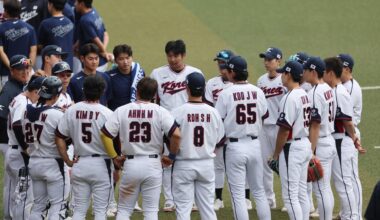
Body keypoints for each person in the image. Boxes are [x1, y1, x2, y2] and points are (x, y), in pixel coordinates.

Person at [100, 77, 181, 220]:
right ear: (155, 94)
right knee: (150, 211)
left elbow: (105, 135)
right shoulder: (160, 111)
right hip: (153, 164)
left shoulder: (122, 110)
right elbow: (176, 135)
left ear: (136, 92)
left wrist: (114, 157)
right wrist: (172, 157)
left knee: (124, 211)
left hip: (131, 164)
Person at [215, 56, 271, 220]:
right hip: (255, 145)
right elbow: (264, 115)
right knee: (259, 191)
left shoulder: (225, 94)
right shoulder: (258, 91)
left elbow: (218, 121)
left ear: (232, 72)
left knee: (238, 195)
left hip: (235, 147)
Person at [150, 39, 202, 212]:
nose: (173, 59)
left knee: (189, 161)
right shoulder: (157, 73)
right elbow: (154, 100)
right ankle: (170, 200)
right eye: (170, 56)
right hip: (165, 124)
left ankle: (191, 200)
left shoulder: (195, 73)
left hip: (190, 124)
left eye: (176, 56)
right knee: (167, 162)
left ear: (183, 55)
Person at [55, 75, 114, 219]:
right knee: (100, 211)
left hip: (79, 163)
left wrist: (67, 160)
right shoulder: (108, 113)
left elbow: (59, 137)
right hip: (102, 164)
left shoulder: (72, 110)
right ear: (102, 91)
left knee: (79, 211)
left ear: (83, 90)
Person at [170, 72, 225, 220]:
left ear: (186, 88)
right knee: (207, 209)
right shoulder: (214, 113)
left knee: (183, 209)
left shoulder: (177, 112)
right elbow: (219, 139)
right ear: (204, 89)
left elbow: (170, 138)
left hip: (183, 164)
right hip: (206, 164)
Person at [323, 57, 364, 220]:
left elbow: (347, 121)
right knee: (343, 182)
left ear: (331, 73)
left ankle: (352, 217)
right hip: (339, 139)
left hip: (342, 139)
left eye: (324, 72)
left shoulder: (341, 92)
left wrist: (354, 139)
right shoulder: (336, 89)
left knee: (344, 183)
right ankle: (349, 215)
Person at [25, 76, 70, 219]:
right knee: (58, 205)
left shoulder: (26, 111)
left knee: (38, 205)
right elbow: (66, 139)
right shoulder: (56, 115)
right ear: (56, 95)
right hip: (53, 163)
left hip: (34, 162)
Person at [272, 61, 312, 220]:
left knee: (290, 195)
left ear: (289, 75)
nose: (281, 76)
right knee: (301, 193)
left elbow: (284, 130)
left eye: (283, 73)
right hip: (305, 145)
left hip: (292, 149)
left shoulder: (289, 98)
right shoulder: (304, 94)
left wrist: (275, 154)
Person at [5, 73, 44, 220]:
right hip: (19, 153)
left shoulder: (19, 98)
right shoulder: (23, 102)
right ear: (36, 91)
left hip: (13, 151)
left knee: (16, 193)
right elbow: (16, 125)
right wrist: (26, 148)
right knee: (25, 195)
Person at [303, 56, 336, 220]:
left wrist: (311, 151)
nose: (303, 73)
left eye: (305, 70)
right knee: (325, 187)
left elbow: (314, 125)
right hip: (329, 139)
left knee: (320, 188)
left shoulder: (315, 93)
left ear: (313, 71)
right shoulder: (328, 89)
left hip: (320, 143)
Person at [0, 55, 32, 220]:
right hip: (9, 142)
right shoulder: (10, 89)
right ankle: (11, 215)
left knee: (13, 184)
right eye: (20, 69)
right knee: (17, 185)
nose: (25, 72)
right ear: (11, 70)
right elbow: (1, 114)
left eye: (27, 68)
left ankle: (9, 215)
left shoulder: (22, 86)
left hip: (14, 142)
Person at [204, 49, 233, 211]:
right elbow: (208, 108)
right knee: (218, 165)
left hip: (236, 130)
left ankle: (246, 198)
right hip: (217, 130)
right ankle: (219, 199)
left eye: (223, 62)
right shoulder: (211, 83)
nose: (220, 65)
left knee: (238, 166)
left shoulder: (238, 83)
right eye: (219, 62)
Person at [257, 47, 286, 210]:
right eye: (265, 59)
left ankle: (287, 200)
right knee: (265, 165)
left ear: (279, 60)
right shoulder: (261, 80)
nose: (266, 62)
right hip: (264, 128)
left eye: (269, 59)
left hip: (280, 128)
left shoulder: (284, 79)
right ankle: (269, 200)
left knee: (283, 165)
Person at [338, 53, 364, 219]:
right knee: (345, 179)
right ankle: (346, 213)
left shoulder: (350, 90)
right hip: (346, 134)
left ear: (346, 69)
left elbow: (347, 120)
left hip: (350, 135)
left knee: (351, 179)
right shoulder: (344, 85)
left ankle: (356, 215)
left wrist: (354, 139)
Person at [0, 0, 37, 85]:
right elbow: (33, 51)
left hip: (7, 72)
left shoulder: (1, 28)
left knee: (9, 97)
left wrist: (12, 67)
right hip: (25, 71)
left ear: (5, 11)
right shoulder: (30, 28)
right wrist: (28, 67)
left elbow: (1, 52)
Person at [74, 0, 112, 72]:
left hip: (93, 66)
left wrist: (104, 52)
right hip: (101, 62)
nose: (75, 4)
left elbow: (96, 39)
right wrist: (104, 52)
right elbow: (105, 34)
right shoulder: (94, 11)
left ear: (82, 4)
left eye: (76, 2)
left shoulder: (85, 20)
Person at [107, 44, 145, 111]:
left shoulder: (140, 73)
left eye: (127, 58)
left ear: (132, 58)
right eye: (121, 59)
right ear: (115, 61)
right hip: (116, 115)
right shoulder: (108, 76)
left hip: (134, 115)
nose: (125, 62)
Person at [38, 0, 74, 69]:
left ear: (51, 5)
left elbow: (40, 45)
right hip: (68, 65)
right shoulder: (69, 22)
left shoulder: (45, 24)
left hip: (52, 66)